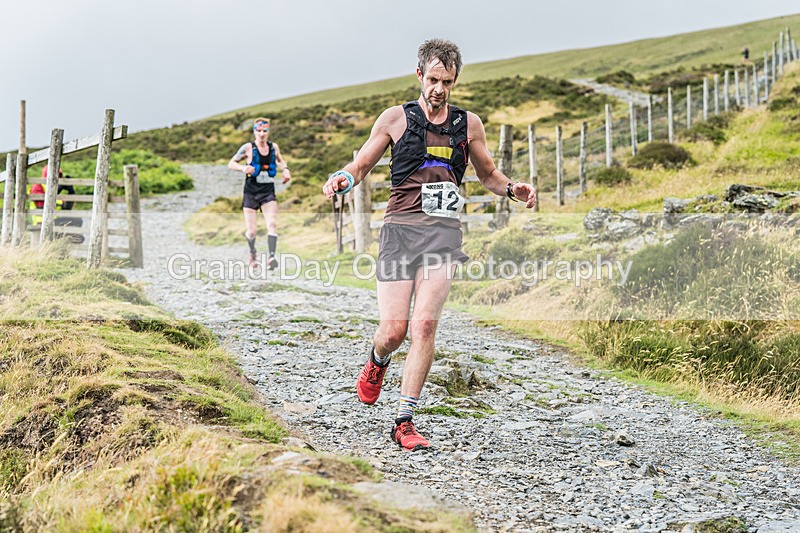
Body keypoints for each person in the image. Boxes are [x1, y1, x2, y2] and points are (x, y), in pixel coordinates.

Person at [322, 39, 537, 451]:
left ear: (455, 81)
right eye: (433, 79)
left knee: (423, 326)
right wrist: (342, 179)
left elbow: (488, 174)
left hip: (442, 234)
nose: (439, 88)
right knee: (394, 330)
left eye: (448, 82)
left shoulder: (468, 124)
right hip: (400, 231)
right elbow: (362, 164)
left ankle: (404, 420)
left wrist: (512, 188)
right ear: (419, 74)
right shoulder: (394, 119)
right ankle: (377, 360)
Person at [228, 117, 291, 269]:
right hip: (251, 191)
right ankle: (252, 252)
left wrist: (286, 170)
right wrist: (243, 168)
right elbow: (231, 163)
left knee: (272, 223)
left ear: (268, 131)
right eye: (259, 130)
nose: (262, 134)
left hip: (268, 191)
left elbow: (281, 161)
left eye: (265, 130)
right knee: (252, 230)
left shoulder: (273, 147)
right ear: (254, 131)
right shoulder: (248, 148)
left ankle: (271, 258)